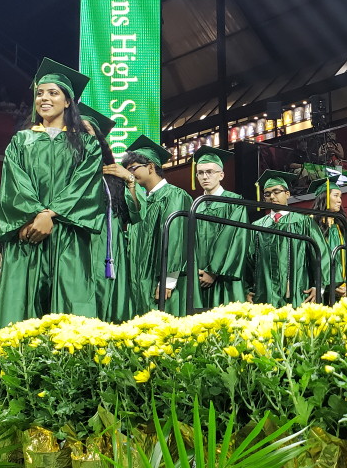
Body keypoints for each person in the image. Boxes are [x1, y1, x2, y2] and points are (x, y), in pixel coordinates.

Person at [0, 60, 104, 327]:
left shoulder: (87, 145)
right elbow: (14, 183)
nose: (44, 98)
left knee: (69, 303)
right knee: (22, 304)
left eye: (53, 93)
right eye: (40, 93)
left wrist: (51, 214)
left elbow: (85, 185)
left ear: (68, 102)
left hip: (67, 233)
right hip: (28, 230)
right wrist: (35, 215)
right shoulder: (21, 141)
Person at [80, 103, 140, 323]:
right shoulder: (67, 172)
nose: (82, 136)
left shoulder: (113, 175)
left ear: (99, 139)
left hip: (108, 250)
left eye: (87, 131)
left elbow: (134, 215)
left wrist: (130, 180)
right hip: (78, 248)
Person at [123, 135, 193, 316]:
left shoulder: (175, 195)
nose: (129, 174)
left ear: (151, 167)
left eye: (132, 168)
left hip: (163, 283)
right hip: (140, 282)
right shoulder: (141, 201)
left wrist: (168, 280)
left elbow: (176, 238)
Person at [246, 170, 328, 307]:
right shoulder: (257, 227)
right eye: (267, 194)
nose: (272, 196)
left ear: (287, 194)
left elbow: (321, 253)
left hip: (298, 292)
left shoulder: (303, 222)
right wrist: (247, 289)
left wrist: (319, 286)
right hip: (265, 295)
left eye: (276, 192)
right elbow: (249, 262)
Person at [189, 146, 248, 308]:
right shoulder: (195, 206)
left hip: (225, 277)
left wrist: (213, 271)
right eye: (200, 173)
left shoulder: (234, 201)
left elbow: (234, 238)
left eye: (209, 172)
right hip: (198, 277)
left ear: (221, 175)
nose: (204, 176)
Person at [311, 175, 347, 301]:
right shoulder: (310, 225)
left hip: (345, 291)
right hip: (318, 292)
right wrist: (325, 284)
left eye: (340, 197)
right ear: (324, 197)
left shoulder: (345, 226)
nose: (340, 201)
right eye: (336, 195)